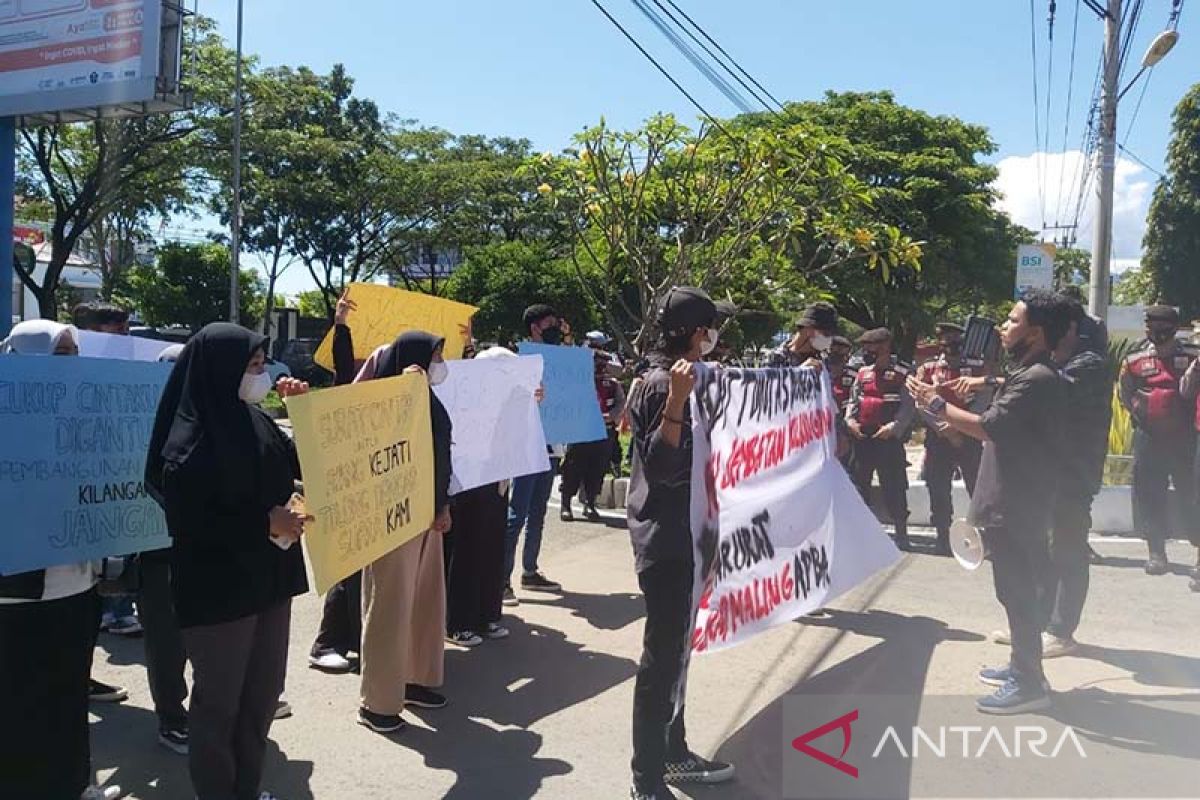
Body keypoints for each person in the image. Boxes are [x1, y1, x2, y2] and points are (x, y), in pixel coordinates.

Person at [145, 323, 310, 800]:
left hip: (270, 581)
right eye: (252, 367)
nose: (260, 376)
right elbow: (192, 522)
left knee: (260, 697)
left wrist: (306, 414)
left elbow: (298, 464)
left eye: (262, 366)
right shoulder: (189, 440)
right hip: (220, 592)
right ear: (220, 371)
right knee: (219, 706)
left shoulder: (254, 419)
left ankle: (247, 787)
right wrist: (264, 522)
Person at [909, 289, 1071, 714]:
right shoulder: (1028, 373)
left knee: (1017, 591)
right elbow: (1000, 391)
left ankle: (1029, 683)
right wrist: (973, 384)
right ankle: (1022, 664)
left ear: (1034, 332)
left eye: (1012, 320)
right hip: (1013, 498)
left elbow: (988, 427)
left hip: (1017, 503)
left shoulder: (1038, 378)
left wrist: (935, 402)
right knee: (1011, 590)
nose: (1003, 327)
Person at [0, 321, 121, 800]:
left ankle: (75, 783)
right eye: (58, 353)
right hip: (17, 592)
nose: (69, 362)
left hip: (76, 585)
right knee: (21, 701)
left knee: (68, 694)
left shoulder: (85, 416)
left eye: (74, 352)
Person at [626, 286, 735, 800]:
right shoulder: (658, 385)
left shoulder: (694, 380)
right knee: (662, 659)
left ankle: (674, 751)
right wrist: (676, 401)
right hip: (666, 545)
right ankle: (647, 778)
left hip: (691, 541)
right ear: (697, 333)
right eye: (712, 327)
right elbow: (662, 468)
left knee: (678, 656)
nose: (716, 337)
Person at [355, 332, 454, 734]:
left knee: (425, 601)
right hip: (392, 516)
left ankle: (415, 679)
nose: (439, 364)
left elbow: (439, 451)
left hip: (428, 515)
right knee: (390, 606)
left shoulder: (428, 397)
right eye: (435, 356)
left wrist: (441, 505)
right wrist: (404, 392)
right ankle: (377, 700)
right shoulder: (385, 398)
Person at [133, 343, 192, 755]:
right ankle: (171, 716)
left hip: (203, 551)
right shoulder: (133, 422)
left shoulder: (208, 419)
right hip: (155, 553)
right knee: (166, 643)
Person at [444, 346, 522, 646]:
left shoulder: (509, 401)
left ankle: (486, 615)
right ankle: (457, 622)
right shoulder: (464, 399)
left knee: (491, 548)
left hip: (497, 483)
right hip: (468, 485)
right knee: (466, 552)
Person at [1118, 305, 1199, 575]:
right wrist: (1140, 414)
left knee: (1193, 494)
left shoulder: (1192, 355)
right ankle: (1156, 552)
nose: (1156, 332)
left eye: (1162, 327)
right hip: (1149, 435)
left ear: (1174, 328)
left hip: (1185, 437)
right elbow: (1125, 393)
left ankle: (1197, 551)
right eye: (1151, 326)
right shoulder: (1134, 358)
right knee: (1150, 493)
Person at [309, 290, 365, 673]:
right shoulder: (355, 393)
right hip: (350, 490)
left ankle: (362, 639)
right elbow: (345, 370)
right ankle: (327, 642)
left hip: (377, 490)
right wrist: (341, 325)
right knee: (349, 565)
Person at [503, 304, 566, 605]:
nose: (555, 328)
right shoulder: (520, 361)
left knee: (538, 512)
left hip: (551, 446)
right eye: (550, 324)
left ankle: (530, 571)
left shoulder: (558, 361)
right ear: (535, 328)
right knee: (517, 514)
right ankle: (501, 580)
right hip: (527, 446)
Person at [914, 322, 985, 555]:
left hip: (969, 436)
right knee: (938, 487)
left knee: (977, 486)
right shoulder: (928, 368)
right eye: (946, 341)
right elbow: (920, 400)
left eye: (955, 340)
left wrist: (962, 427)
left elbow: (985, 398)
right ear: (940, 343)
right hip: (939, 437)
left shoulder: (976, 366)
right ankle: (943, 537)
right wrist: (944, 427)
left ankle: (983, 536)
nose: (951, 345)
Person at [846, 327, 915, 550]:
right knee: (859, 486)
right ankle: (861, 534)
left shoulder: (902, 372)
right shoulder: (862, 373)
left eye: (871, 346)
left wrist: (894, 427)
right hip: (862, 438)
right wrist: (850, 421)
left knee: (894, 486)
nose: (866, 350)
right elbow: (853, 401)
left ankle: (901, 534)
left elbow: (908, 406)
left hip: (888, 439)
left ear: (885, 346)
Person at [560, 345, 626, 522]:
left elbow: (621, 404)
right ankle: (565, 504)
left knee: (597, 469)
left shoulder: (612, 384)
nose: (600, 367)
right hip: (580, 432)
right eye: (596, 363)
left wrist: (610, 416)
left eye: (603, 364)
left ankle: (590, 503)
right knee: (573, 468)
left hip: (604, 433)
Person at [768, 301, 838, 367]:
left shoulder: (824, 360)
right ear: (809, 330)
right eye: (826, 334)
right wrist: (801, 373)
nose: (829, 339)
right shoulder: (775, 357)